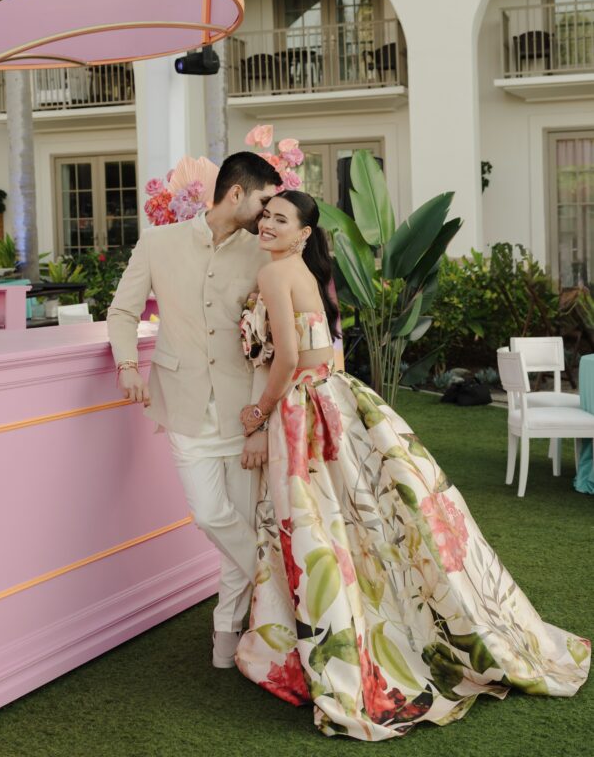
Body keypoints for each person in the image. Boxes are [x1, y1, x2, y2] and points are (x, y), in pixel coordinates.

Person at [235, 190, 591, 741]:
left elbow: (285, 359)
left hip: (303, 406)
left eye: (280, 219)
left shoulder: (275, 273)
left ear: (304, 233)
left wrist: (258, 414)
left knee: (319, 523)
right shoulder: (303, 272)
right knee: (360, 518)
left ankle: (349, 636)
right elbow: (320, 350)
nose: (267, 224)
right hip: (334, 396)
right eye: (265, 216)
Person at [107, 152, 282, 670]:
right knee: (210, 514)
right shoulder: (158, 243)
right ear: (237, 193)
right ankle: (279, 586)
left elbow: (269, 345)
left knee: (240, 519)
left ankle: (227, 635)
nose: (268, 213)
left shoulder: (263, 254)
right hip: (182, 405)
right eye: (264, 200)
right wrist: (127, 366)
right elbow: (122, 311)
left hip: (243, 413)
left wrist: (259, 424)